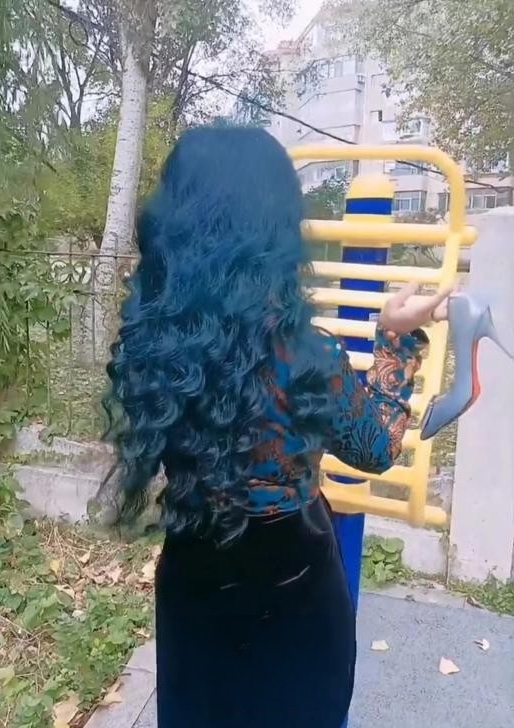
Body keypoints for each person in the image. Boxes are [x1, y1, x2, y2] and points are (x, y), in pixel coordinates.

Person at [103, 126, 449, 728]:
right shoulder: (304, 359)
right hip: (296, 587)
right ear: (275, 231)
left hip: (195, 582)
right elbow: (376, 449)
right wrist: (395, 340)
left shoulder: (153, 350)